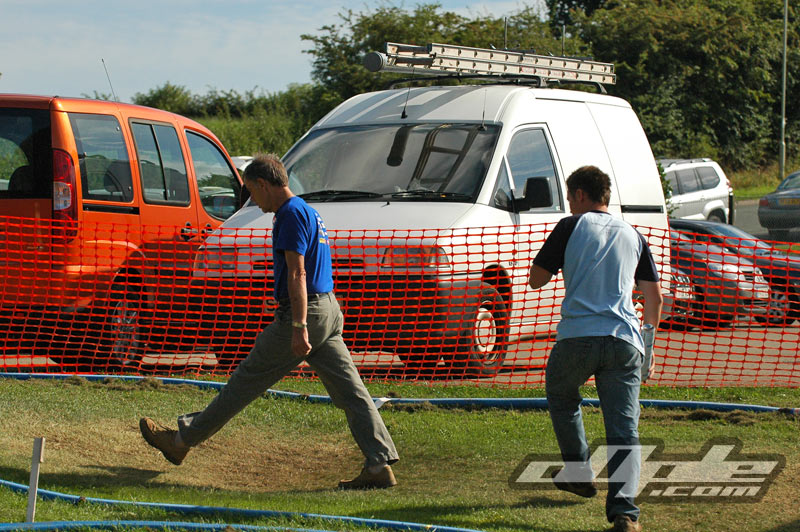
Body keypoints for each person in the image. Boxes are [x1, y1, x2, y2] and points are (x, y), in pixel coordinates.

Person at [139, 153, 399, 489]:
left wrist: (299, 325)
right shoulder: (307, 210)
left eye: (251, 191)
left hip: (307, 314)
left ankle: (180, 442)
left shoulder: (289, 215)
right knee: (353, 393)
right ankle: (379, 466)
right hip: (328, 310)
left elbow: (298, 272)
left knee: (244, 382)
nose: (252, 200)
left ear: (264, 184)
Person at [528, 166, 663, 532]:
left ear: (581, 195)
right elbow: (654, 298)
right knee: (623, 428)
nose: (570, 204)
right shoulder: (633, 235)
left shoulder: (571, 227)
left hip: (577, 336)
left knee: (561, 393)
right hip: (625, 340)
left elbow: (536, 279)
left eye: (570, 197)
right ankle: (624, 513)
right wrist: (647, 352)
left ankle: (579, 469)